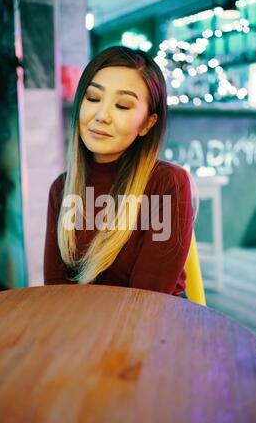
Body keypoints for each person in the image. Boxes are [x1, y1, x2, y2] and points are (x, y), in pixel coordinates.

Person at [44, 45, 197, 296]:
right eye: (93, 98)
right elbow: (55, 292)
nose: (102, 115)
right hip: (81, 328)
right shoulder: (61, 189)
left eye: (123, 106)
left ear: (147, 124)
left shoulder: (166, 183)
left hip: (151, 328)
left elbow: (147, 299)